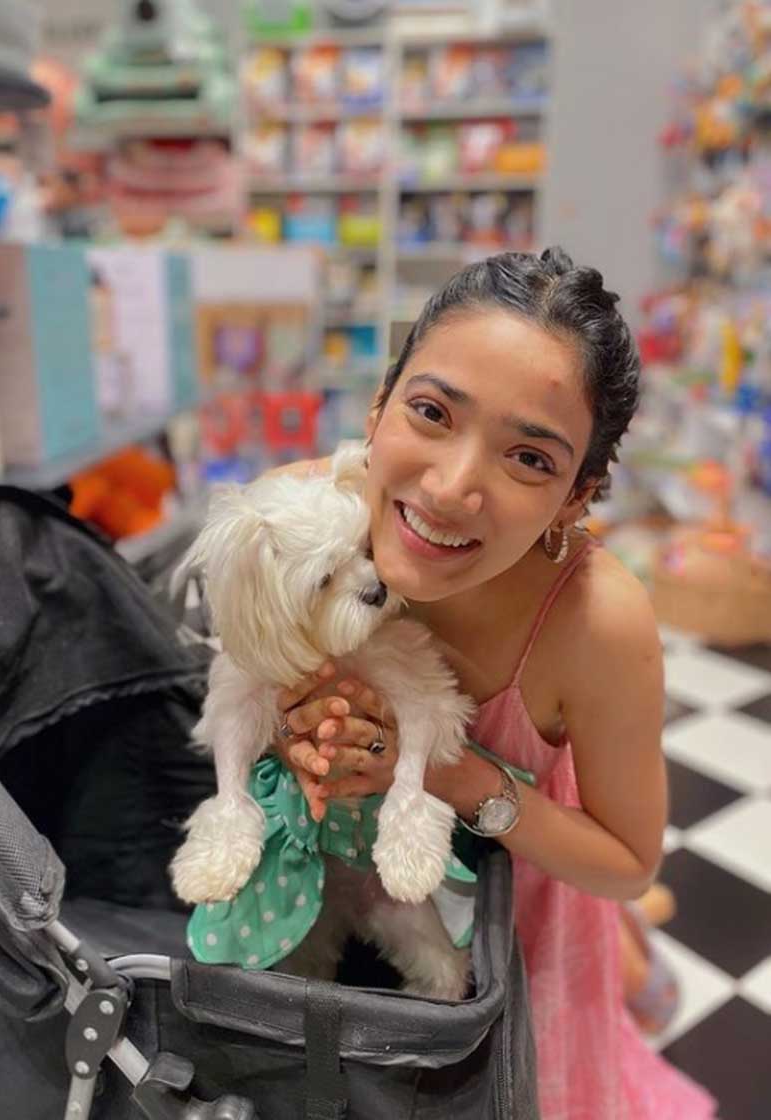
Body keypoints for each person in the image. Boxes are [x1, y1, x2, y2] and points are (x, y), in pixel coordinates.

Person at [271, 249, 716, 1119]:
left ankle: (634, 969)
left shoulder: (598, 620)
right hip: (336, 921)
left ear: (577, 497)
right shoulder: (298, 523)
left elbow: (627, 861)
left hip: (525, 935)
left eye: (529, 460)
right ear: (379, 403)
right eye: (431, 411)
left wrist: (446, 772)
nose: (450, 489)